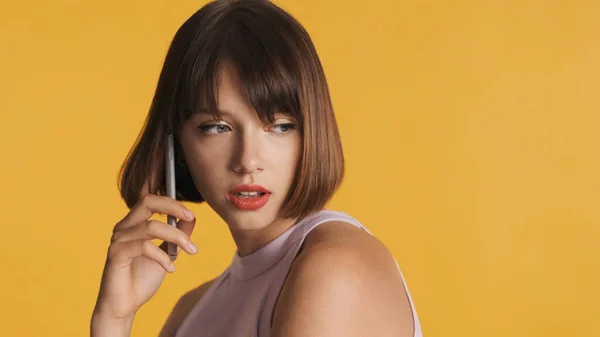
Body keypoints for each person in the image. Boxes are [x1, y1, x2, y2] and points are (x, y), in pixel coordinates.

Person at [91, 0, 422, 336]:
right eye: (217, 127)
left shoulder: (336, 269)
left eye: (279, 125)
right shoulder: (190, 311)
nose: (248, 161)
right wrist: (114, 320)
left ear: (313, 132)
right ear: (178, 145)